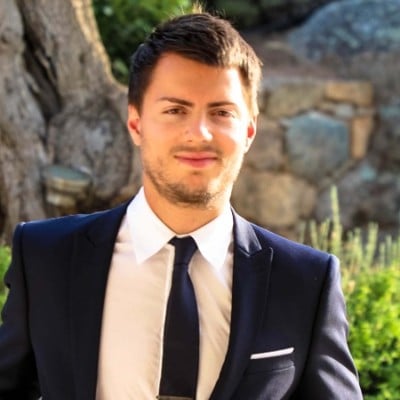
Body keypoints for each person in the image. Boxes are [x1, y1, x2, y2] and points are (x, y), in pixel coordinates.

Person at [0, 7, 363, 400]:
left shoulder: (306, 281)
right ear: (136, 124)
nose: (199, 133)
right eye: (175, 110)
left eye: (221, 112)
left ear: (249, 130)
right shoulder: (47, 258)